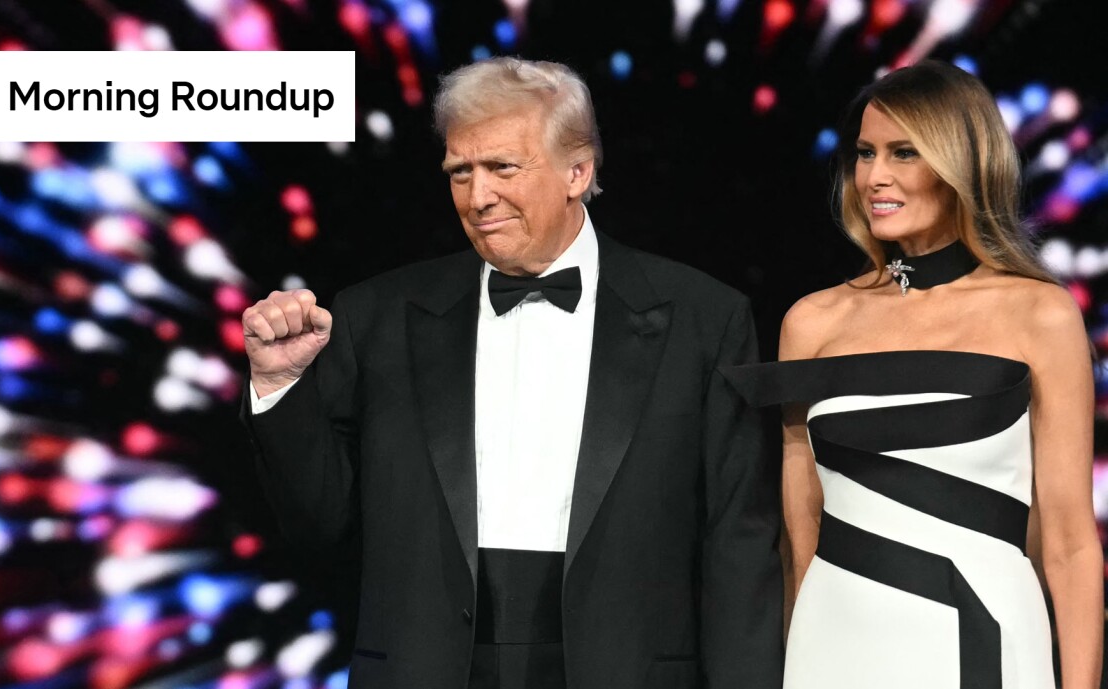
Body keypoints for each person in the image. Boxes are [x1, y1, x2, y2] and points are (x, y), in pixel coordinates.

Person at [239, 57, 783, 689]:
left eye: (502, 167)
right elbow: (318, 527)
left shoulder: (703, 318)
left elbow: (738, 545)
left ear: (578, 171)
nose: (478, 197)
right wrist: (279, 388)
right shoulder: (376, 315)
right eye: (460, 172)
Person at [723, 60, 1103, 689]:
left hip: (982, 636)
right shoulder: (812, 322)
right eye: (865, 153)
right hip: (833, 641)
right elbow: (802, 530)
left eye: (904, 153)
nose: (875, 176)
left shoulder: (1040, 314)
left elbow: (1068, 543)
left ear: (962, 165)